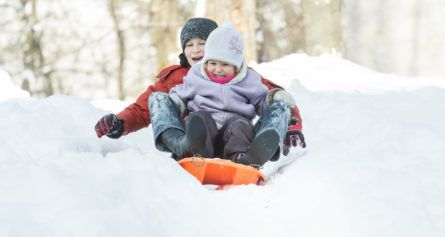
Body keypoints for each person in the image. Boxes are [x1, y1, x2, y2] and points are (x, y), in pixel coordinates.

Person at [94, 18, 305, 162]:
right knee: (159, 99)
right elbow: (143, 108)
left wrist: (290, 126)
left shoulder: (240, 74)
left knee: (273, 105)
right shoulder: (177, 77)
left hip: (237, 137)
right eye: (189, 44)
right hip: (193, 140)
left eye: (202, 43)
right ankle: (181, 144)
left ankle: (256, 152)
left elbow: (274, 97)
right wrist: (120, 123)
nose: (195, 49)